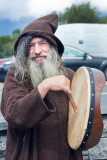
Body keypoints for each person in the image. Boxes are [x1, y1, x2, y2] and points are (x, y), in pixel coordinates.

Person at [1, 14, 83, 160]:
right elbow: (15, 115)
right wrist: (45, 85)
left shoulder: (69, 75)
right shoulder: (17, 75)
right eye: (31, 46)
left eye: (43, 43)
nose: (37, 50)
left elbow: (82, 116)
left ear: (53, 47)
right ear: (24, 50)